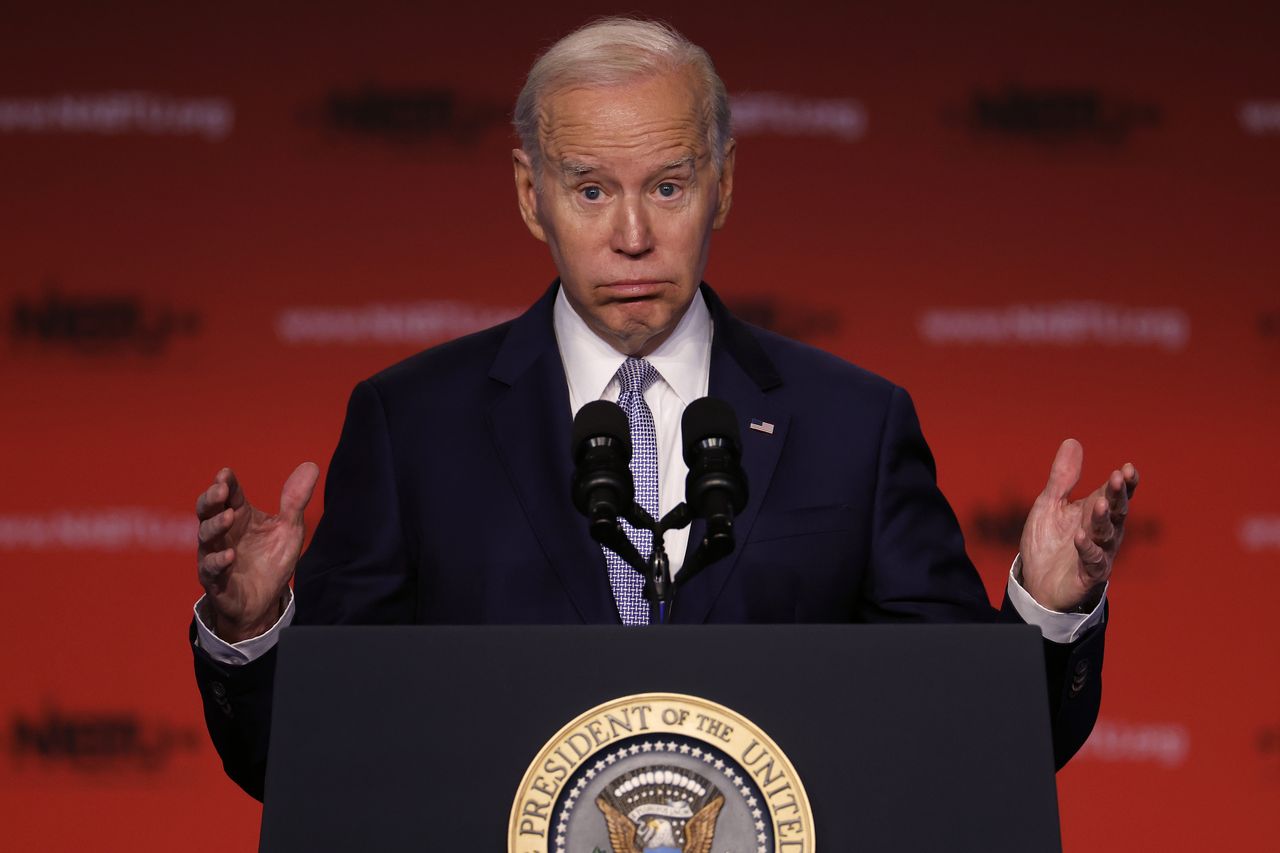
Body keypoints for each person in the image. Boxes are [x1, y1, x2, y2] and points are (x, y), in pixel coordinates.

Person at [191, 17, 1139, 800]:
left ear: (723, 183)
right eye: (591, 188)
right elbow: (303, 763)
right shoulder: (414, 426)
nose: (633, 235)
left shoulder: (853, 424)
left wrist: (1048, 612)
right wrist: (254, 632)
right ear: (532, 196)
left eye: (668, 186)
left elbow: (970, 738)